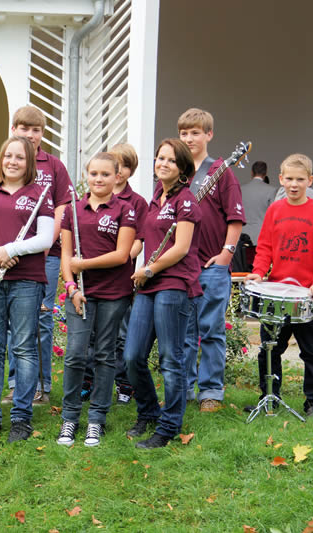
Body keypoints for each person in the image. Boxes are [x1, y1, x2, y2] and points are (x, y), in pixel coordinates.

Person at [0, 105, 72, 406]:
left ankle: (40, 387)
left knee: (41, 320)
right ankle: (15, 385)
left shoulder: (54, 166)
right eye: (24, 128)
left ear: (42, 133)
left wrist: (42, 243)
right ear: (13, 130)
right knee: (9, 326)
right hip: (2, 258)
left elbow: (62, 208)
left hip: (46, 253)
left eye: (36, 130)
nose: (30, 134)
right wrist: (1, 252)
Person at [0, 136, 54, 443]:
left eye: (20, 157)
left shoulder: (40, 194)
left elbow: (45, 238)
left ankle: (21, 417)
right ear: (0, 160)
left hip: (27, 279)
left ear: (29, 163)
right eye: (8, 156)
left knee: (24, 348)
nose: (13, 161)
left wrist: (12, 249)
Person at [123, 139, 200, 449]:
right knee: (132, 356)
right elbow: (142, 239)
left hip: (174, 284)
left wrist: (150, 269)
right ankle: (149, 411)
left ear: (182, 168)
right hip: (148, 285)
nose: (163, 163)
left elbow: (181, 248)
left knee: (171, 358)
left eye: (171, 160)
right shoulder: (156, 197)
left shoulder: (186, 201)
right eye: (160, 158)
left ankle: (169, 426)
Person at [245, 154, 313, 417]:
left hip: (308, 296)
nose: (294, 184)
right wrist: (258, 272)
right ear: (281, 179)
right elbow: (265, 247)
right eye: (289, 179)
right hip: (277, 295)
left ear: (310, 181)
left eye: (300, 179)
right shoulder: (275, 210)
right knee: (269, 350)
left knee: (312, 353)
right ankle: (269, 397)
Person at [57, 153, 136, 447]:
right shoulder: (72, 210)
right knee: (75, 354)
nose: (99, 179)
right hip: (80, 294)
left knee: (104, 354)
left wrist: (84, 265)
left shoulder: (125, 210)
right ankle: (69, 417)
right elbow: (66, 255)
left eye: (105, 174)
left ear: (117, 177)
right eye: (93, 174)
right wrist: (71, 286)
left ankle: (96, 419)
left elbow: (122, 255)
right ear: (86, 176)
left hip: (114, 294)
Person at [178, 108, 246, 413]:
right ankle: (183, 390)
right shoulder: (176, 172)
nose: (189, 138)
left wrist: (225, 255)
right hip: (181, 267)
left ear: (209, 135)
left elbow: (235, 218)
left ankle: (211, 392)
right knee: (183, 333)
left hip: (212, 266)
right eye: (184, 133)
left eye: (195, 132)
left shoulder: (222, 171)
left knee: (212, 331)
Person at [79, 143, 147, 405]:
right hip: (90, 280)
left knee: (119, 336)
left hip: (119, 279)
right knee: (90, 336)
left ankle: (124, 383)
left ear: (128, 171)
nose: (118, 171)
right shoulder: (88, 200)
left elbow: (138, 240)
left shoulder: (136, 202)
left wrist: (123, 256)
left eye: (124, 166)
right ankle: (88, 381)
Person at [240, 161, 275, 247]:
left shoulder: (241, 189)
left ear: (251, 172)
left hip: (242, 234)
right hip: (262, 235)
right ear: (265, 173)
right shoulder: (271, 190)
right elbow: (273, 215)